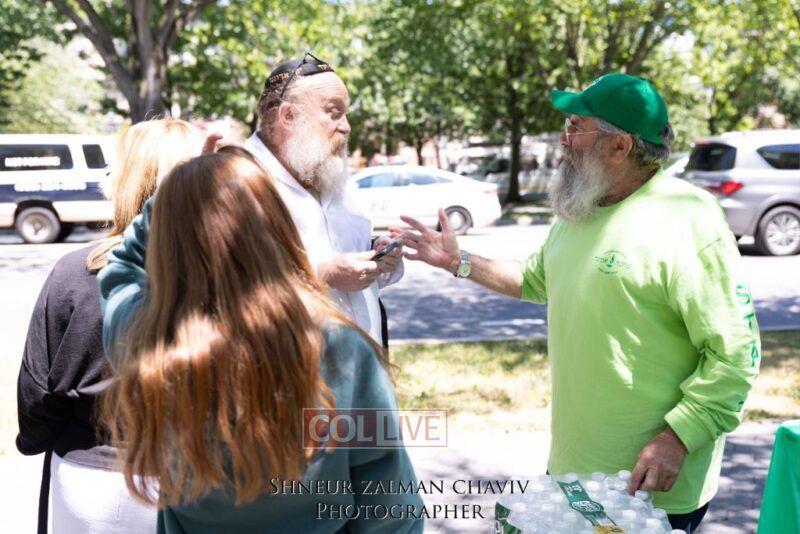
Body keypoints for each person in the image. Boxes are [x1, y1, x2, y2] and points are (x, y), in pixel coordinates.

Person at [393, 73, 760, 533]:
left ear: (620, 145)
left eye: (575, 127)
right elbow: (536, 279)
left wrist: (679, 437)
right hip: (571, 473)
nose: (563, 139)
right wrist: (457, 260)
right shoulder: (580, 207)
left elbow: (735, 355)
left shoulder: (687, 217)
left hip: (649, 488)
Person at [97, 148, 423, 533]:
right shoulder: (339, 349)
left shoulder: (147, 342)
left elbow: (121, 268)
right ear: (274, 226)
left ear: (168, 243)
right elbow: (389, 505)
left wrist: (174, 194)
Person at [15, 118, 205, 534]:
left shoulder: (75, 271)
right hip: (197, 478)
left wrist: (40, 438)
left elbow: (36, 396)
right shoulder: (229, 276)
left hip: (90, 483)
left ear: (124, 182)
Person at [244, 52, 403, 346]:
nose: (346, 126)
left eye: (346, 113)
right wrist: (321, 275)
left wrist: (378, 256)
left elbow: (349, 261)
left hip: (362, 362)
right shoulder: (237, 179)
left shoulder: (332, 174)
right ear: (288, 116)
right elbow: (227, 286)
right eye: (334, 112)